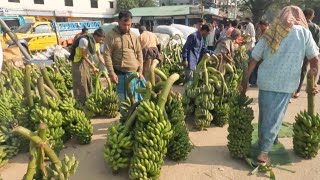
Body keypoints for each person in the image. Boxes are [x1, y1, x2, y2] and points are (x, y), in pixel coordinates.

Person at [240, 6, 319, 164]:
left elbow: (254, 58)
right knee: (275, 117)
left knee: (266, 114)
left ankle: (271, 140)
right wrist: (314, 80)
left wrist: (245, 80)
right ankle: (264, 152)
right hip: (286, 82)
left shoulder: (272, 31)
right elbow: (315, 58)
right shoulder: (304, 33)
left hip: (266, 80)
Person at [104, 11, 144, 103]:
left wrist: (140, 71)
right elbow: (107, 55)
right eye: (124, 24)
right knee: (123, 102)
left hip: (134, 75)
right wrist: (111, 73)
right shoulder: (111, 36)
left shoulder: (134, 36)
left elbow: (139, 53)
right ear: (118, 21)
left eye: (129, 25)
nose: (127, 27)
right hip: (120, 75)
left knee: (136, 101)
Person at [72, 28, 105, 105]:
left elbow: (99, 55)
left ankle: (88, 97)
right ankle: (80, 100)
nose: (101, 41)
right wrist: (93, 67)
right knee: (80, 79)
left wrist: (106, 65)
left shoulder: (97, 43)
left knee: (87, 78)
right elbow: (83, 56)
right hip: (77, 60)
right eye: (100, 39)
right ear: (96, 36)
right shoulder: (84, 41)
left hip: (85, 59)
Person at [294, 8, 320, 98]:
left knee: (294, 69)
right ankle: (297, 91)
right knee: (303, 71)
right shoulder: (316, 27)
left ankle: (290, 90)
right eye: (313, 15)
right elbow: (317, 43)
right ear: (310, 16)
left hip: (295, 52)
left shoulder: (295, 26)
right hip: (308, 53)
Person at [249, 20, 269, 87]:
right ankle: (255, 82)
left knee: (255, 66)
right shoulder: (263, 33)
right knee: (257, 67)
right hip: (260, 52)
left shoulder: (267, 33)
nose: (259, 28)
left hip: (263, 53)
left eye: (260, 26)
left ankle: (254, 82)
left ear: (263, 26)